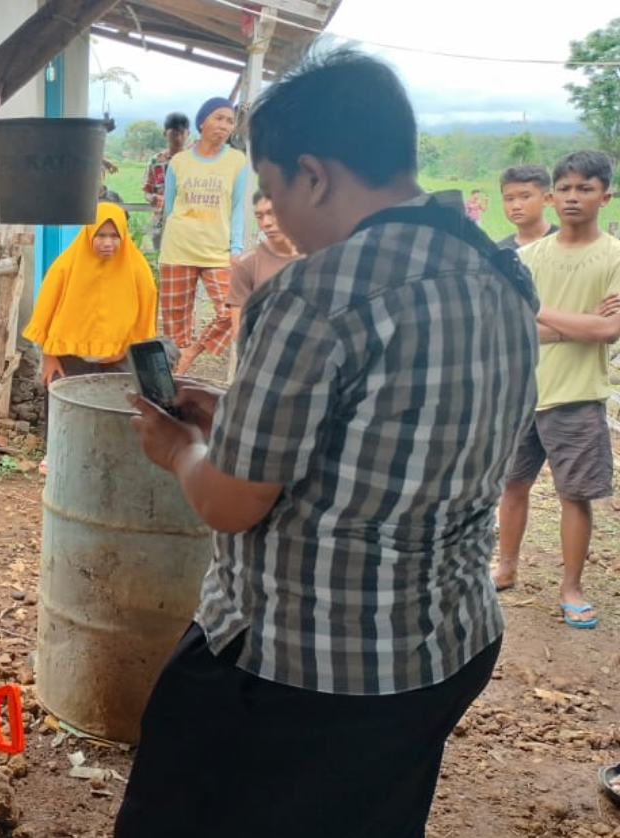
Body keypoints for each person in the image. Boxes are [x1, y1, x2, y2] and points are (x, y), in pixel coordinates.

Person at [117, 49, 538, 838]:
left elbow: (230, 502)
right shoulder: (501, 272)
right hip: (444, 648)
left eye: (273, 189)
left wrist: (178, 448)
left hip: (301, 666)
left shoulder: (317, 293)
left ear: (312, 174)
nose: (277, 214)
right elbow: (387, 432)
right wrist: (231, 415)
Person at [491, 150, 620, 628]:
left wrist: (538, 311)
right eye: (564, 188)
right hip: (523, 392)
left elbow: (610, 330)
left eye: (585, 188)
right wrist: (580, 325)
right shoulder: (526, 258)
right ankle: (505, 566)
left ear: (605, 196)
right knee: (511, 485)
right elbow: (507, 327)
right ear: (552, 195)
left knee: (574, 495)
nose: (572, 197)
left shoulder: (613, 256)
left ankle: (571, 587)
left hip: (578, 396)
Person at [23, 202, 159, 473]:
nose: (107, 243)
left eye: (114, 236)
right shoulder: (66, 266)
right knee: (64, 399)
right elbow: (45, 314)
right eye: (100, 235)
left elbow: (145, 319)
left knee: (118, 404)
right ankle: (58, 451)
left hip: (118, 356)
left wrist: (131, 352)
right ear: (88, 234)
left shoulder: (137, 269)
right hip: (70, 355)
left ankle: (110, 455)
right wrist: (49, 357)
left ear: (123, 236)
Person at [156, 97, 248, 373]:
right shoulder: (179, 162)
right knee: (175, 325)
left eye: (229, 121)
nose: (224, 125)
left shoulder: (237, 161)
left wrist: (236, 248)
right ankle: (176, 380)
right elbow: (170, 207)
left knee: (232, 308)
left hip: (216, 251)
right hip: (177, 249)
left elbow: (238, 207)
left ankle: (192, 352)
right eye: (218, 118)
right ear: (202, 122)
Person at [225, 189, 301, 335]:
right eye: (259, 216)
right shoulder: (247, 265)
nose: (266, 223)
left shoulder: (321, 258)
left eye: (272, 213)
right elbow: (239, 332)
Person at [142, 111, 191, 251]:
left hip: (186, 219)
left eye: (182, 133)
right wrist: (150, 197)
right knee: (158, 248)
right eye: (174, 133)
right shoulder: (156, 161)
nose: (178, 138)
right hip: (159, 218)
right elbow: (147, 190)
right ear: (165, 134)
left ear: (188, 134)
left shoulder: (193, 160)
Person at [497, 165, 557, 249]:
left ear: (547, 199)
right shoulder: (500, 251)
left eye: (525, 197)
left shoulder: (568, 241)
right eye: (509, 199)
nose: (516, 206)